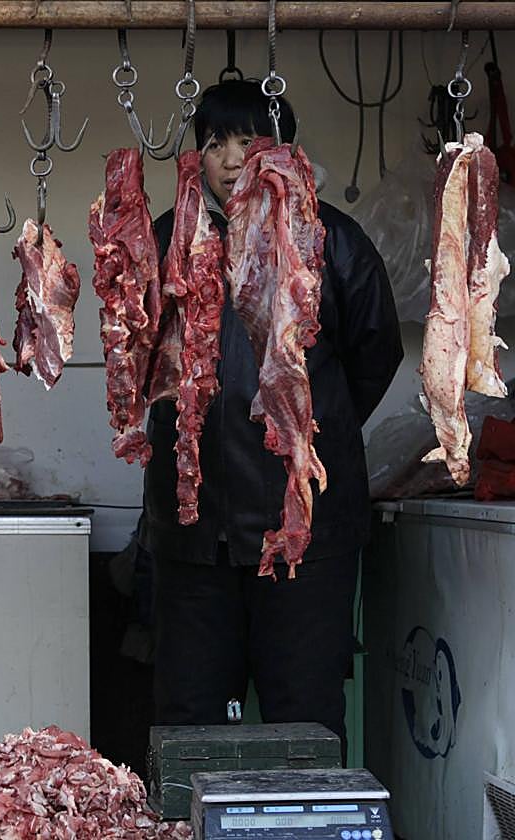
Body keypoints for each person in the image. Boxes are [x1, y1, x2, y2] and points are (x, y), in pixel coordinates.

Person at [140, 79, 404, 753]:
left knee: (305, 714)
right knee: (188, 718)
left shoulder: (333, 242)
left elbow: (377, 355)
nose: (231, 160)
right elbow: (134, 357)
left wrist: (306, 430)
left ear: (283, 151)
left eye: (249, 140)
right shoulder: (170, 240)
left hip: (304, 537)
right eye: (215, 142)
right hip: (194, 535)